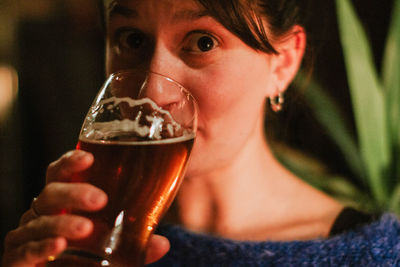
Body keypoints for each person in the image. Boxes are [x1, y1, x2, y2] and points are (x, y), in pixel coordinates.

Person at [3, 0, 400, 266]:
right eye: (132, 39)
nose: (153, 92)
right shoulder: (83, 238)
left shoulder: (374, 254)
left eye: (202, 42)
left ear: (283, 63)